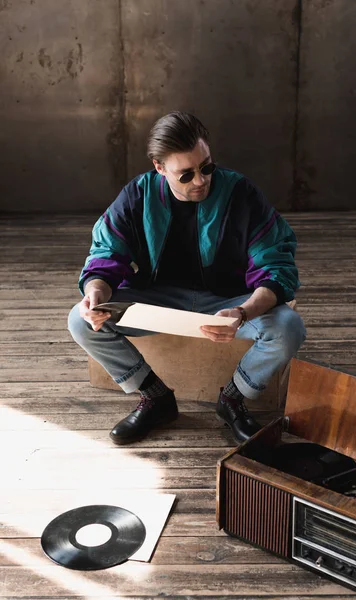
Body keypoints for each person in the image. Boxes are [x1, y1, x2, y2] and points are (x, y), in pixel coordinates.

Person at [68, 111, 306, 446]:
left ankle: (232, 400)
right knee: (79, 321)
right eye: (186, 174)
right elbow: (107, 253)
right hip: (157, 298)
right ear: (159, 168)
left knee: (289, 328)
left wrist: (243, 312)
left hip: (230, 301)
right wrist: (95, 293)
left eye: (207, 167)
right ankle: (156, 398)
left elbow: (276, 264)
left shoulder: (241, 193)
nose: (200, 180)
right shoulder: (137, 196)